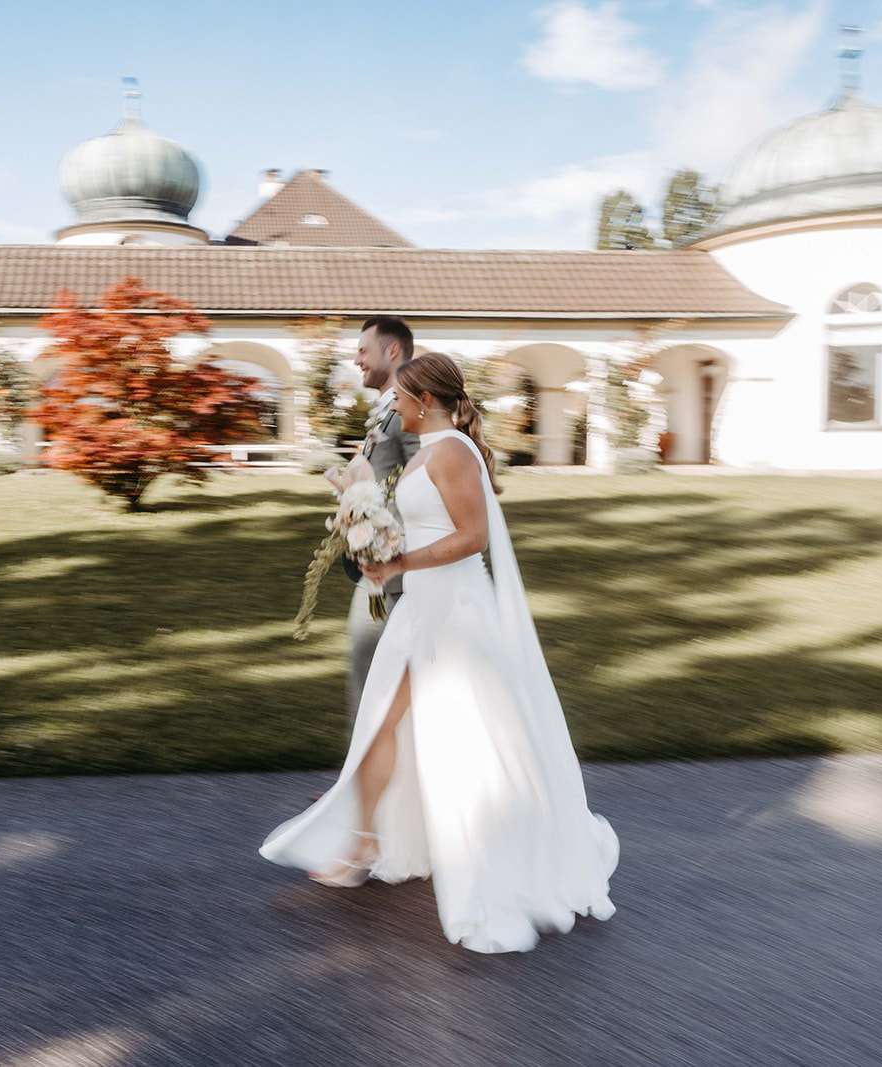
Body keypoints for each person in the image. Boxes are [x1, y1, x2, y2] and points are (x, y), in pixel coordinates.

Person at [261, 353, 619, 954]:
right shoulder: (429, 450)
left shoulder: (452, 451)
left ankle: (468, 850)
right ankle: (365, 843)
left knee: (468, 735)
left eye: (399, 396)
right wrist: (361, 513)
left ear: (424, 398)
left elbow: (472, 536)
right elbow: (423, 526)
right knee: (385, 726)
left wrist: (398, 561)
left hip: (453, 613)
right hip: (422, 608)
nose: (392, 405)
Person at [339, 317, 420, 725]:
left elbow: (428, 480)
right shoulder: (385, 408)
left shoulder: (409, 411)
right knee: (370, 667)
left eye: (362, 350)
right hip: (378, 563)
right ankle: (367, 783)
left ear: (392, 351)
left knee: (371, 664)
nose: (356, 359)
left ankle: (365, 785)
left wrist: (392, 550)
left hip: (395, 571)